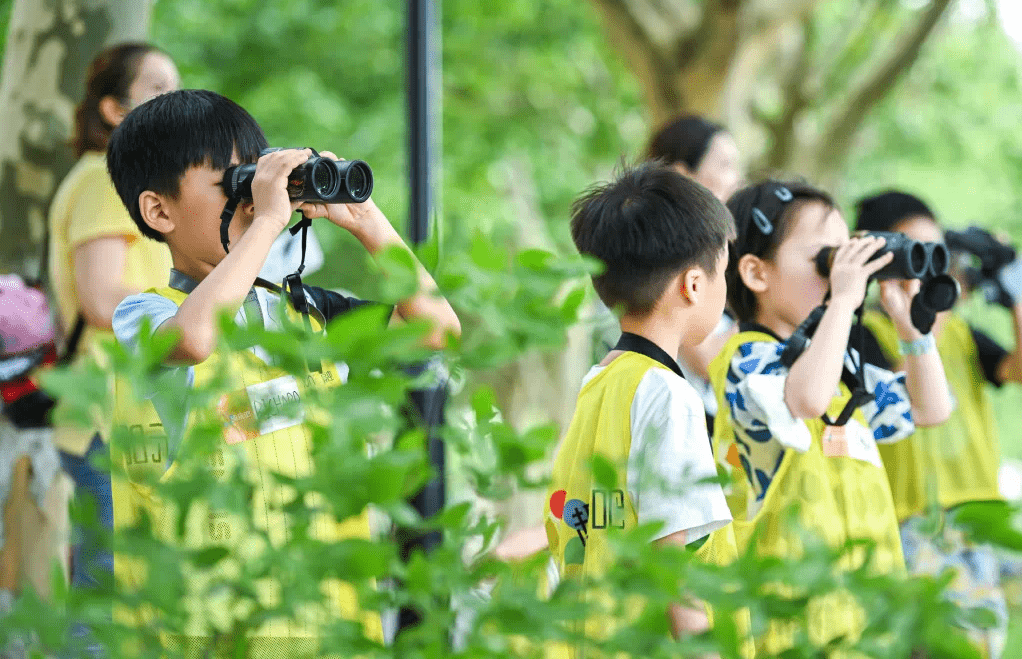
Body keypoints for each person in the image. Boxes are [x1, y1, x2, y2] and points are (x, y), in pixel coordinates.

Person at [105, 89, 460, 652]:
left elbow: (436, 329)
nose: (249, 199)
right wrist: (270, 219)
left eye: (253, 178)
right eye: (233, 183)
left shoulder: (306, 316)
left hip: (321, 631)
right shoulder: (146, 315)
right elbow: (195, 339)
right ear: (158, 210)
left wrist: (367, 222)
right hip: (207, 635)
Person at [710, 179, 954, 654]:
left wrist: (909, 326)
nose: (845, 274)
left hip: (868, 625)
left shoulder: (842, 373)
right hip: (790, 629)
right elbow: (806, 401)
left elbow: (931, 408)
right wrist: (842, 299)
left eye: (850, 257)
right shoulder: (745, 359)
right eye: (827, 260)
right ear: (757, 274)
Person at [546, 162, 738, 657]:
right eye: (725, 271)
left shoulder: (599, 384)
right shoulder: (670, 397)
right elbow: (674, 564)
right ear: (694, 285)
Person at [851, 191, 1022, 659]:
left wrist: (1012, 293)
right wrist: (924, 311)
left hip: (973, 511)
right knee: (924, 644)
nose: (934, 264)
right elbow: (905, 387)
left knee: (980, 644)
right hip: (910, 514)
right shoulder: (868, 333)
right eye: (919, 251)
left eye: (939, 250)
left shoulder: (960, 332)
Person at [46, 42, 180, 592]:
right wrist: (194, 315)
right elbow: (101, 300)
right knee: (110, 599)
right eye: (157, 89)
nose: (173, 101)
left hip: (115, 409)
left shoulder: (101, 176)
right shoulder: (107, 179)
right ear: (114, 109)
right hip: (110, 413)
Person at [642, 115, 743, 430]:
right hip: (676, 425)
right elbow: (707, 362)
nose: (738, 179)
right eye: (725, 165)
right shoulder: (660, 253)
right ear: (681, 174)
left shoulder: (709, 251)